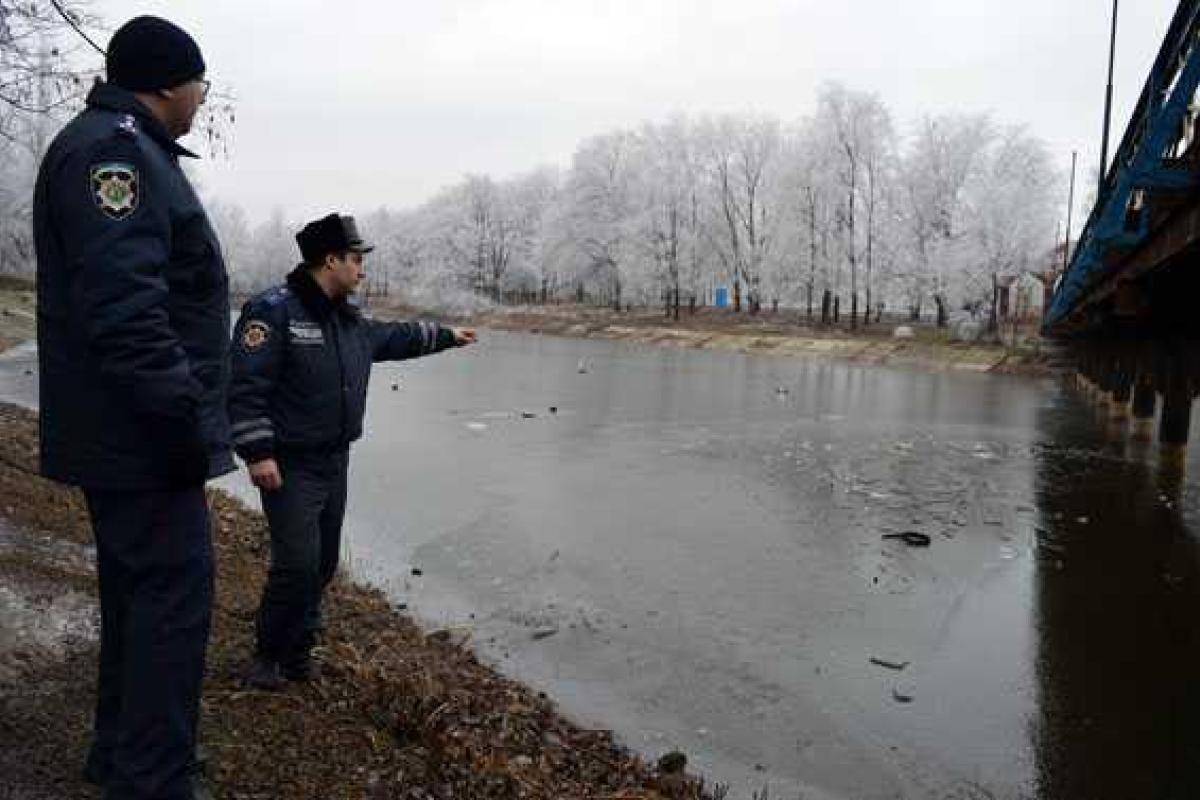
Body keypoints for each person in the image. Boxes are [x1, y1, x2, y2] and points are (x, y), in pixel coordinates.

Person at [33, 16, 228, 800]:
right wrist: (182, 420)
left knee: (138, 599)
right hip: (143, 439)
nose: (205, 96)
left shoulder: (118, 145)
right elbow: (126, 311)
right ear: (165, 82)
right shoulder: (116, 152)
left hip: (125, 436)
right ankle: (152, 779)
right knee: (172, 611)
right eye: (200, 82)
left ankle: (123, 756)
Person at [228, 213, 475, 689]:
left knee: (320, 565)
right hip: (290, 463)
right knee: (296, 563)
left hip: (334, 460)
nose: (362, 268)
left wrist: (446, 336)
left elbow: (393, 338)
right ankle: (266, 657)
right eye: (356, 258)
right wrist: (258, 452)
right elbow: (245, 387)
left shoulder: (348, 319)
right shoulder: (273, 311)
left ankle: (298, 653)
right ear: (330, 260)